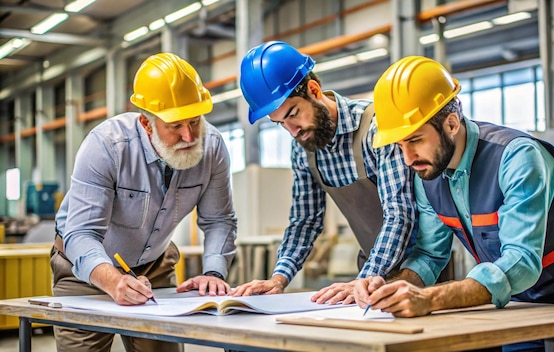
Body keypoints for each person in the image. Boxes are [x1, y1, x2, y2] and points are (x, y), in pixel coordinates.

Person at [354, 56, 554, 351]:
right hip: (512, 301)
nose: (408, 159)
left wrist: (431, 299)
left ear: (451, 123)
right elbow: (429, 256)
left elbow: (523, 261)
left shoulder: (517, 157)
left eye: (415, 140)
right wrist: (390, 286)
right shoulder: (428, 174)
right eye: (400, 146)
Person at [52, 52, 237, 352]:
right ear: (146, 123)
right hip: (84, 269)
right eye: (175, 126)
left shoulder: (213, 148)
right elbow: (81, 234)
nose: (189, 135)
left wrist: (214, 273)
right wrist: (112, 281)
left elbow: (219, 220)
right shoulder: (106, 146)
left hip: (155, 265)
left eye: (194, 121)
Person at [231, 41, 418, 304]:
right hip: (372, 271)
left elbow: (400, 214)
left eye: (293, 114)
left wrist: (363, 280)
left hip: (420, 270)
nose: (292, 130)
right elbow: (305, 221)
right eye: (280, 123)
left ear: (314, 89)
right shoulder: (304, 149)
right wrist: (278, 279)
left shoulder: (375, 129)